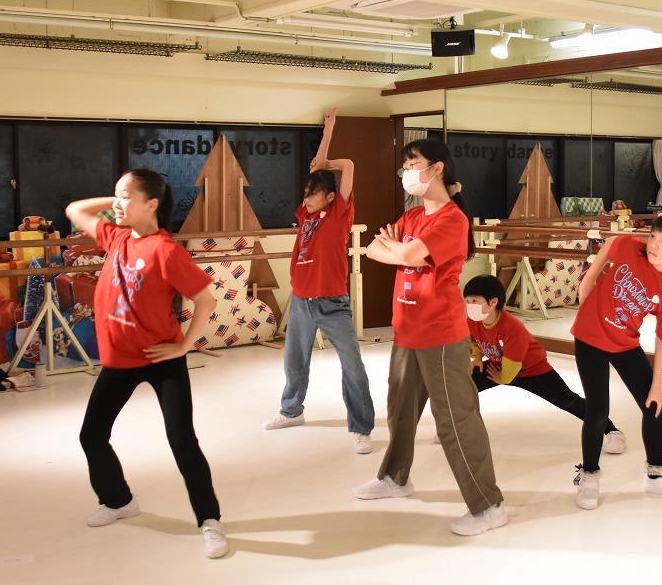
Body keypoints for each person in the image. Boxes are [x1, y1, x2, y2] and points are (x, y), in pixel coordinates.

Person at [66, 168, 229, 559]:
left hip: (160, 359)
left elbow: (206, 300)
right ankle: (118, 501)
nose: (118, 204)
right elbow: (75, 210)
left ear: (151, 204)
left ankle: (210, 521)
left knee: (182, 440)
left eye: (127, 196)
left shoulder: (167, 251)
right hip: (120, 361)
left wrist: (183, 347)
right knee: (91, 436)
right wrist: (117, 200)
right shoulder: (116, 237)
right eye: (116, 195)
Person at [352, 138, 507, 537]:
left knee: (455, 420)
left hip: (439, 333)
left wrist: (399, 249)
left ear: (437, 168)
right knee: (400, 412)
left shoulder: (452, 220)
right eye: (404, 167)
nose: (406, 173)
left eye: (413, 164)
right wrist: (398, 249)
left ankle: (488, 505)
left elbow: (403, 256)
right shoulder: (414, 216)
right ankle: (395, 478)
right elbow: (373, 250)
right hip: (407, 330)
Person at [571, 213, 662, 510]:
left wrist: (658, 385)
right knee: (598, 410)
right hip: (590, 337)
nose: (654, 245)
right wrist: (589, 279)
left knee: (655, 406)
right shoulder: (632, 248)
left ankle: (656, 476)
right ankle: (589, 476)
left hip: (625, 343)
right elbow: (612, 243)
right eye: (653, 236)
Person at [262, 107, 376, 454]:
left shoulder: (338, 214)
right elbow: (317, 170)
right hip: (301, 301)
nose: (306, 198)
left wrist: (329, 163)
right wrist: (327, 132)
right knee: (294, 362)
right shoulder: (306, 215)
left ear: (329, 197)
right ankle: (291, 411)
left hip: (331, 303)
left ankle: (361, 428)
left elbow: (349, 166)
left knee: (352, 366)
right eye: (305, 193)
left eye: (312, 194)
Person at [462, 273, 627, 453]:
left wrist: (502, 378)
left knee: (567, 400)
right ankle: (454, 428)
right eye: (467, 301)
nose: (469, 306)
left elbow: (513, 365)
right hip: (500, 365)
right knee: (461, 387)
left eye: (474, 301)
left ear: (493, 302)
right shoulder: (473, 321)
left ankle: (613, 431)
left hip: (532, 370)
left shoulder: (511, 327)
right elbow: (474, 340)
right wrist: (477, 358)